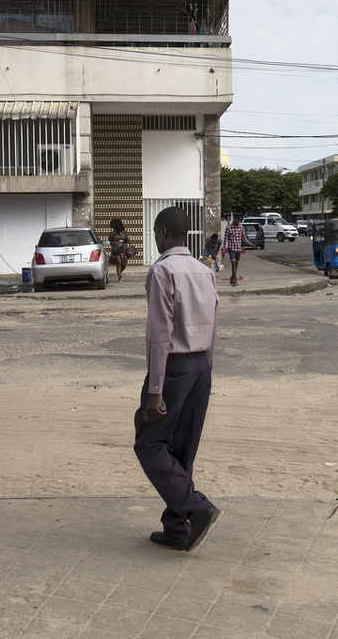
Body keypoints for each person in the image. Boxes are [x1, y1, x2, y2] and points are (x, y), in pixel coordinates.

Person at [134, 206, 221, 552]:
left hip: (173, 368)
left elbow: (160, 332)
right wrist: (206, 371)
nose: (155, 238)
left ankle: (197, 508)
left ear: (164, 232)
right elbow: (214, 327)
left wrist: (155, 390)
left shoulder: (163, 270)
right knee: (182, 448)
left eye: (156, 233)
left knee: (150, 443)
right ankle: (177, 528)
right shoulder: (205, 271)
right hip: (200, 366)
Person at [221, 214, 254, 286]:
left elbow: (244, 238)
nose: (239, 221)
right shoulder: (229, 228)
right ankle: (234, 280)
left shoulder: (241, 227)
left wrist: (250, 244)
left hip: (238, 249)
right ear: (234, 219)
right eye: (238, 219)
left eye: (240, 220)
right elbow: (225, 239)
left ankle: (232, 279)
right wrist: (223, 250)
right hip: (232, 248)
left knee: (236, 265)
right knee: (233, 263)